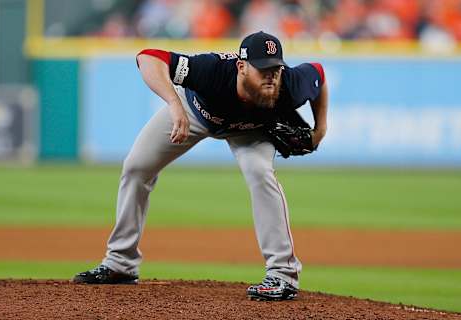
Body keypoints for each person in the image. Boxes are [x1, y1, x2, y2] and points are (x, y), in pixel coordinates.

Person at [73, 31, 328, 301]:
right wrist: (174, 104)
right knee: (137, 167)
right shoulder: (212, 70)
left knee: (260, 172)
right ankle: (120, 264)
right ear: (242, 67)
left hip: (250, 132)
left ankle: (282, 275)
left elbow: (319, 74)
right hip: (195, 113)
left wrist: (320, 130)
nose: (271, 76)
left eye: (276, 68)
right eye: (263, 69)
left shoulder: (290, 83)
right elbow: (149, 58)